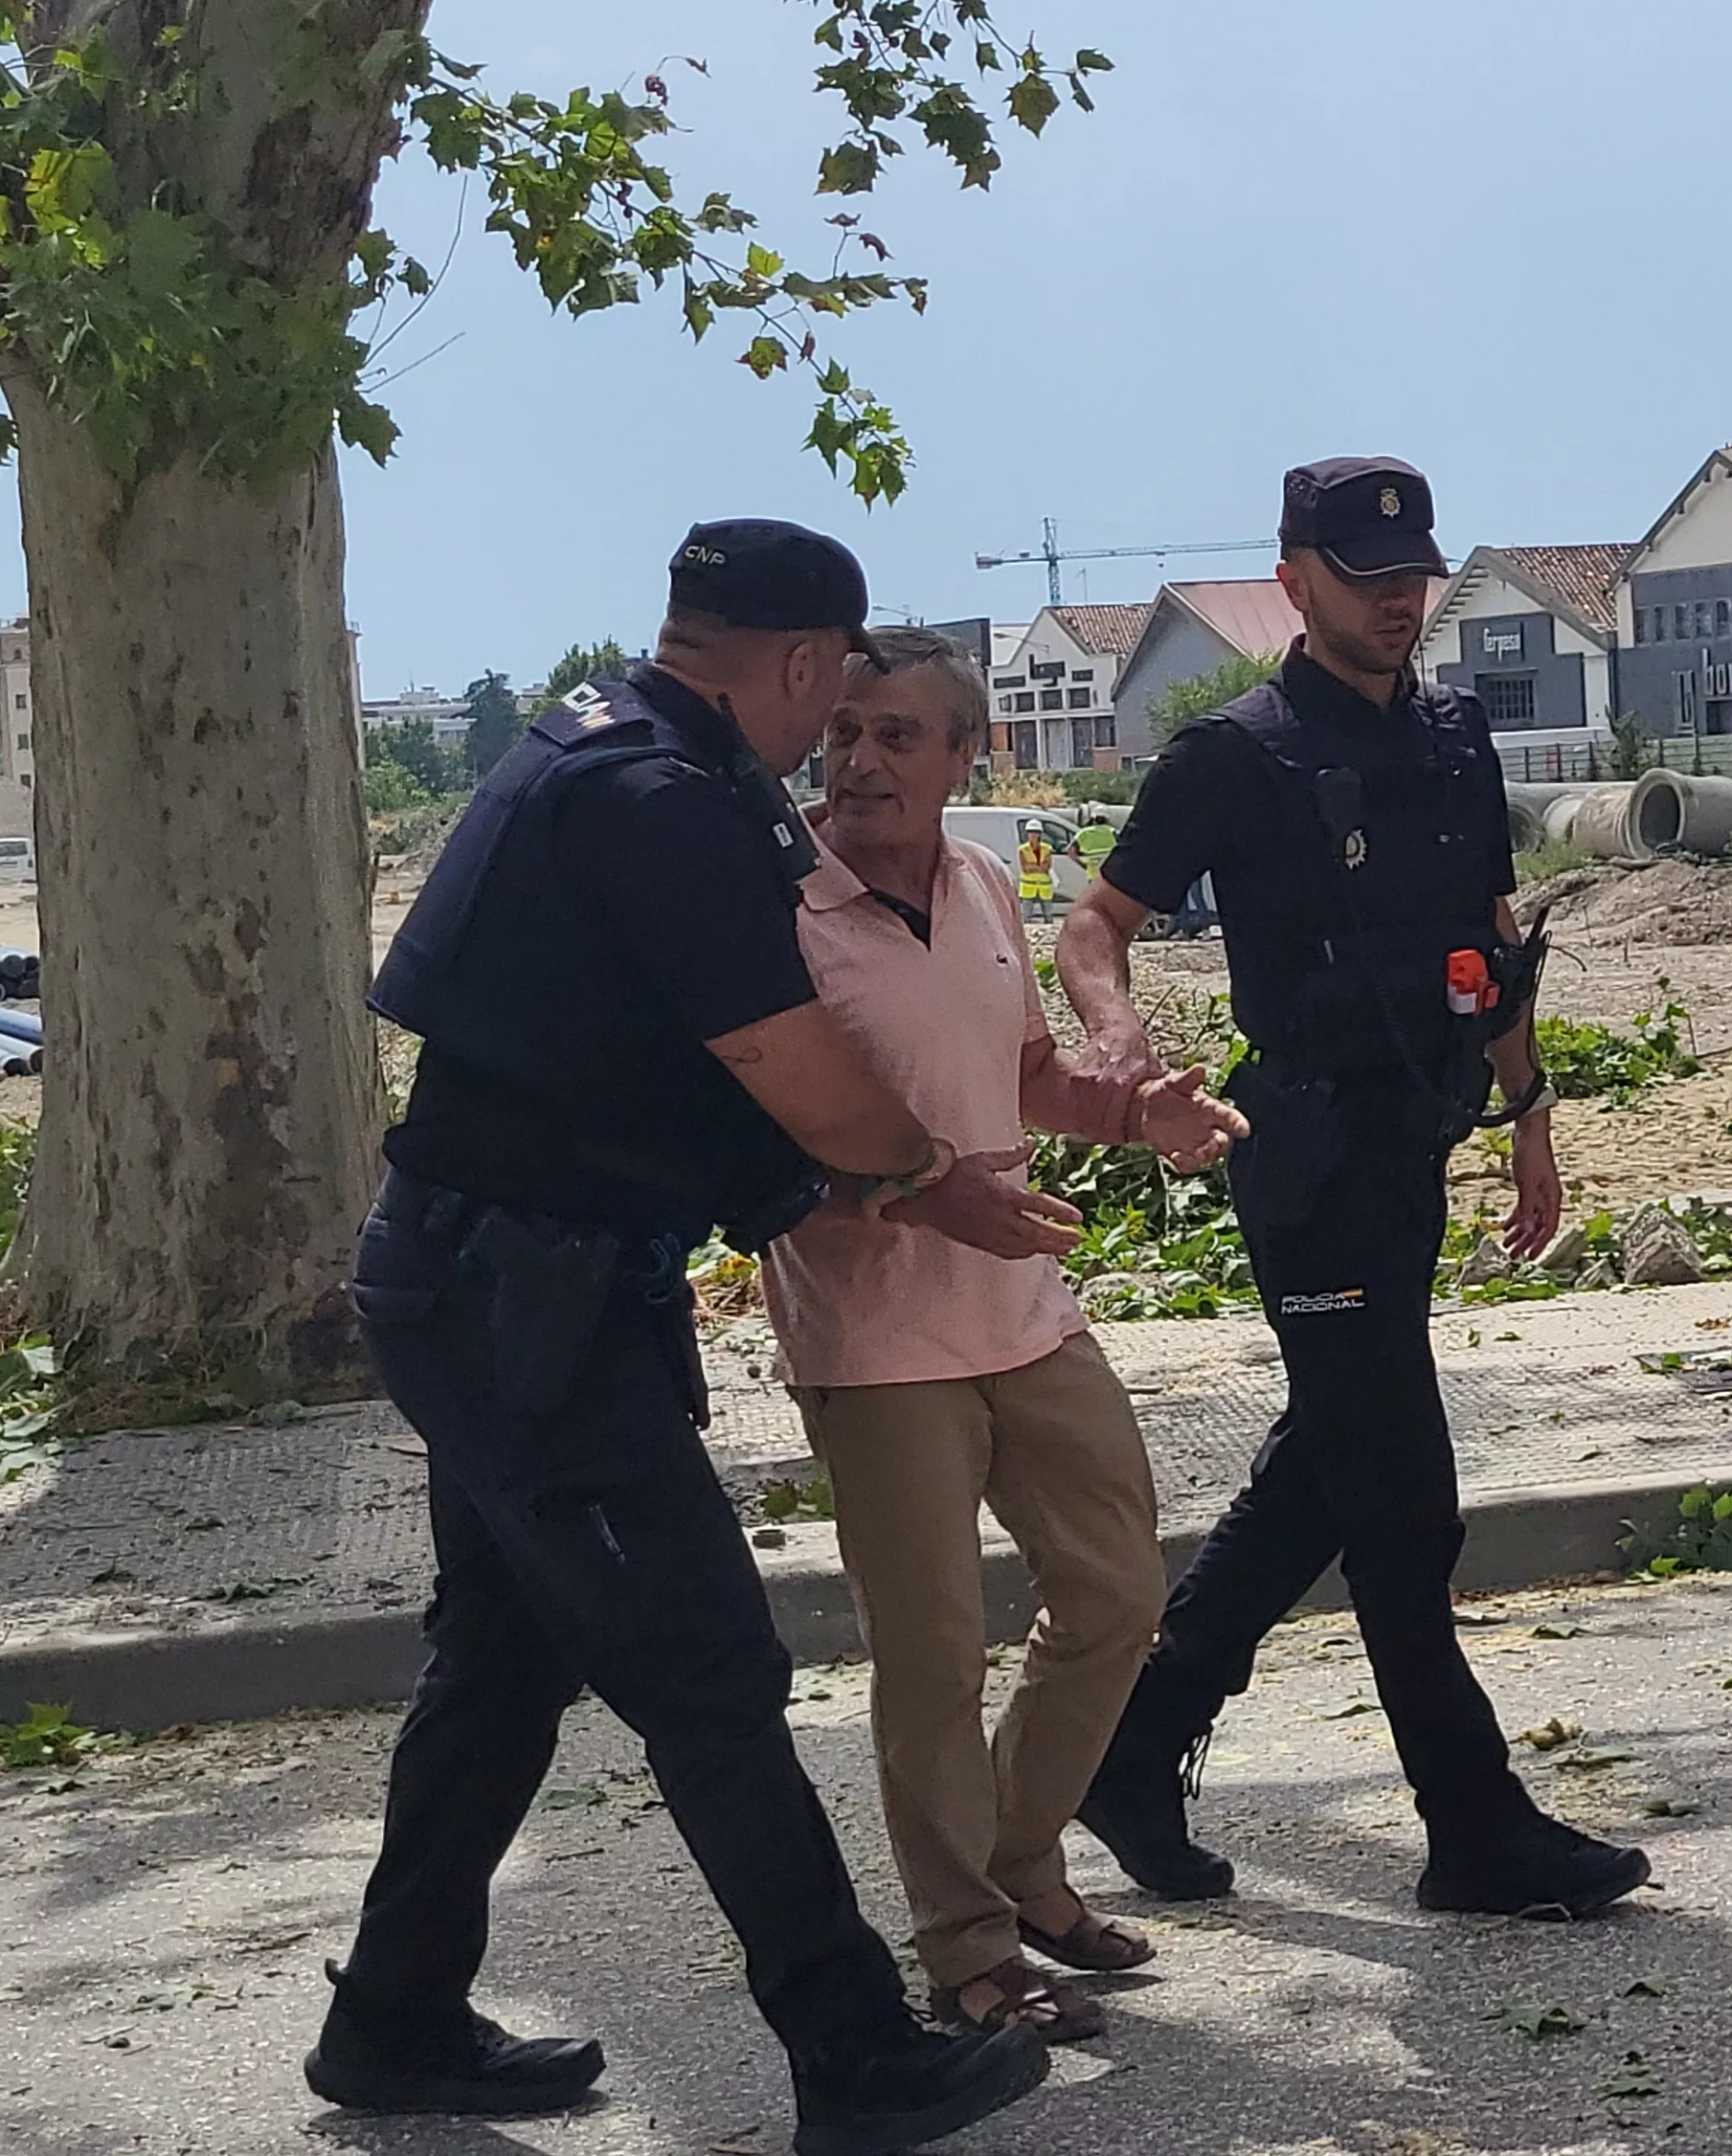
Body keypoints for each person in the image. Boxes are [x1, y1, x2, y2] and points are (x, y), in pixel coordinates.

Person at [320, 522, 1061, 2155]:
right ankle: (856, 2053)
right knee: (713, 1673)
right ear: (800, 660)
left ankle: (390, 2016)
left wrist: (852, 1175)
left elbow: (684, 1077)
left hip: (513, 1282)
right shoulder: (655, 800)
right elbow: (790, 1072)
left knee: (507, 1661)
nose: (833, 733)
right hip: (523, 1303)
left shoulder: (614, 749)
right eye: (835, 692)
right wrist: (935, 1174)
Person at [1051, 457, 1652, 1920]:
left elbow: (1490, 938)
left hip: (1417, 1150)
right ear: (1297, 577)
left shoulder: (1456, 738)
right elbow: (1094, 924)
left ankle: (1131, 1743)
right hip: (1305, 1163)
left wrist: (1529, 1110)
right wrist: (1126, 1057)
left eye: (1414, 577)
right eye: (1366, 576)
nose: (1400, 600)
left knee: (1333, 1458)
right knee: (1401, 1496)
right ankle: (1475, 1824)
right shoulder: (1233, 755)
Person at [764, 627, 1244, 2041]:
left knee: (1115, 1593)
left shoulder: (978, 879)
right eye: (845, 732)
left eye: (897, 737)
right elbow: (767, 1123)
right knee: (933, 1658)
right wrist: (921, 1192)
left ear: (968, 756)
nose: (858, 761)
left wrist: (1134, 1112)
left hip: (1022, 1307)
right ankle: (967, 1947)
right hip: (873, 1335)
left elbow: (1029, 1075)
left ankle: (1024, 1859)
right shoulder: (777, 903)